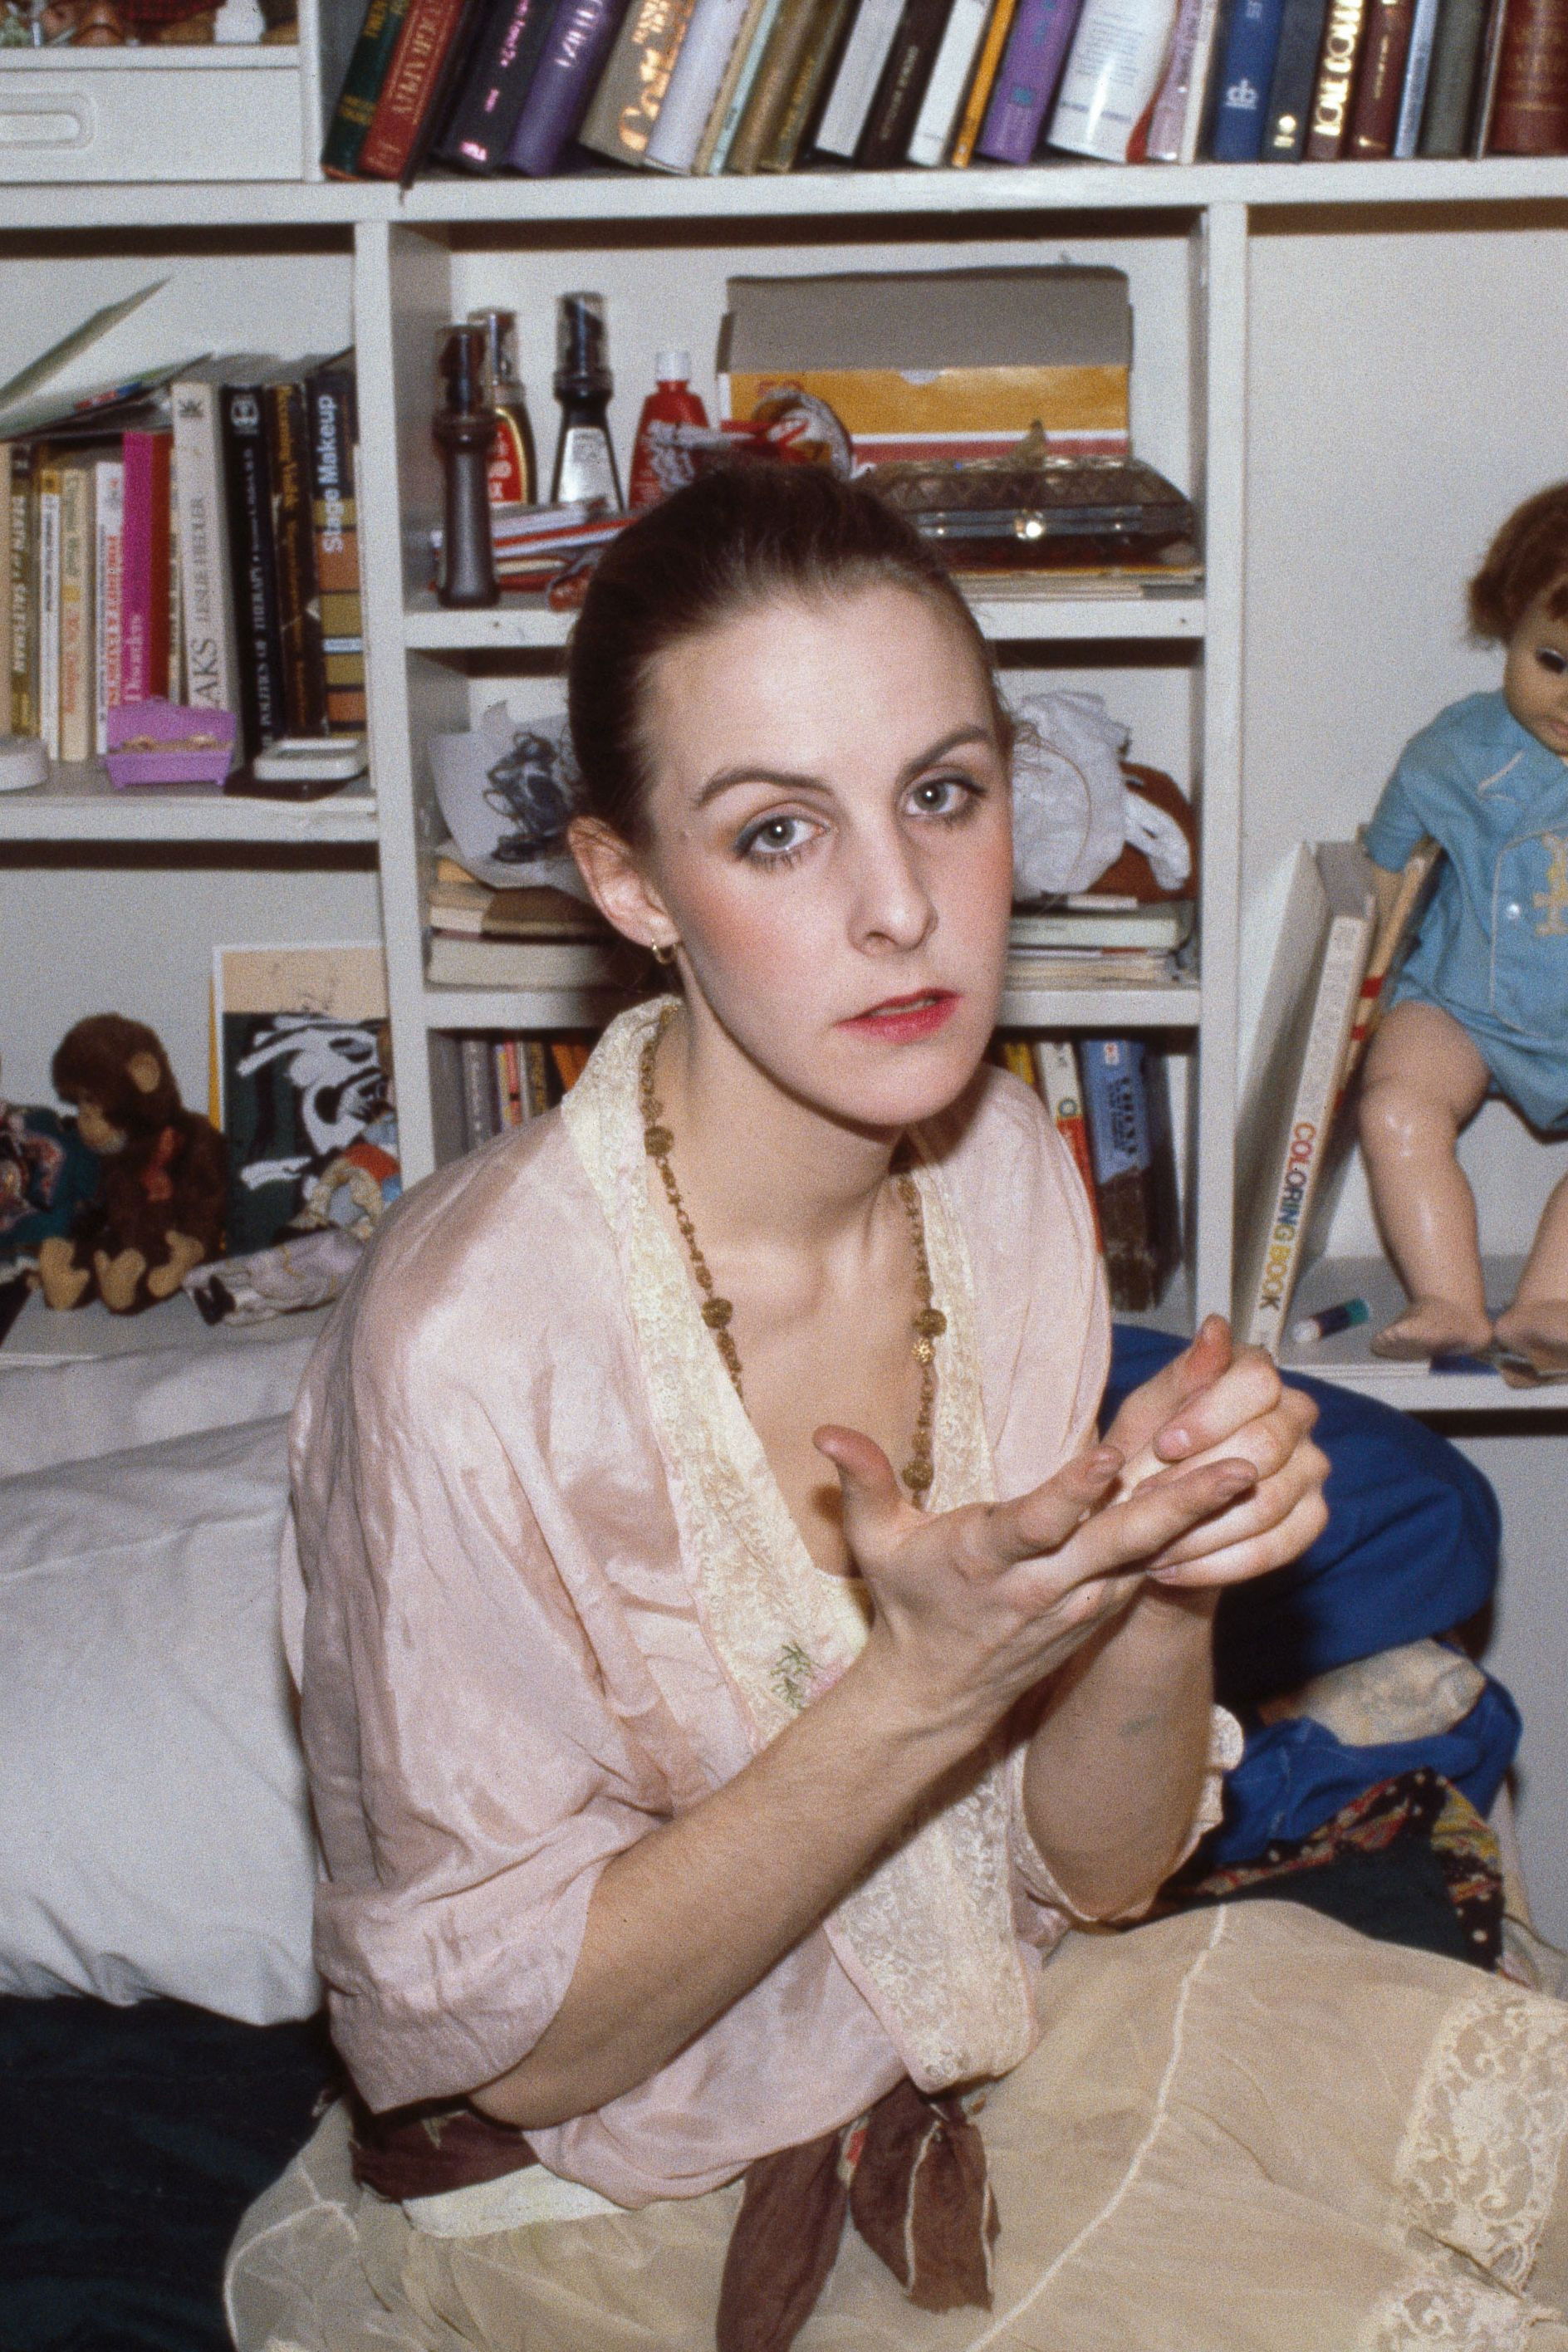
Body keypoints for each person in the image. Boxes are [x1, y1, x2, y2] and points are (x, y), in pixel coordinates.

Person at [228, 464, 1568, 2352]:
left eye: (939, 793)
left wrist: (1153, 1573)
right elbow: (513, 2057)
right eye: (775, 831)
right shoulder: (461, 1345)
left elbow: (1097, 1871)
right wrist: (918, 1690)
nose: (898, 907)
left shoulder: (999, 1168)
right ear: (628, 882)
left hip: (984, 2034)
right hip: (615, 2196)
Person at [1360, 481, 1568, 1371]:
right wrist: (1358, 995)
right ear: (1512, 626)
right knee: (1396, 1104)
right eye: (1552, 662)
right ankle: (1446, 1296)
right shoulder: (1455, 751)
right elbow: (1382, 873)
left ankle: (1551, 1299)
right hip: (1462, 1002)